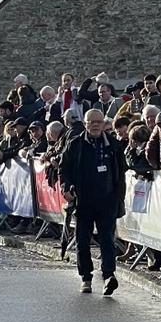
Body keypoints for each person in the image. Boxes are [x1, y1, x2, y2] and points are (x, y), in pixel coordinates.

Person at [60, 109, 121, 296]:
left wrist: (119, 196)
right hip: (83, 199)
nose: (95, 125)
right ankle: (86, 277)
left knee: (107, 239)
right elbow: (64, 169)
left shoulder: (113, 144)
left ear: (104, 124)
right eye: (91, 121)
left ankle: (109, 275)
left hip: (107, 199)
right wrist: (66, 187)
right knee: (83, 240)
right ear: (85, 124)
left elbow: (121, 170)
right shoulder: (75, 144)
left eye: (98, 121)